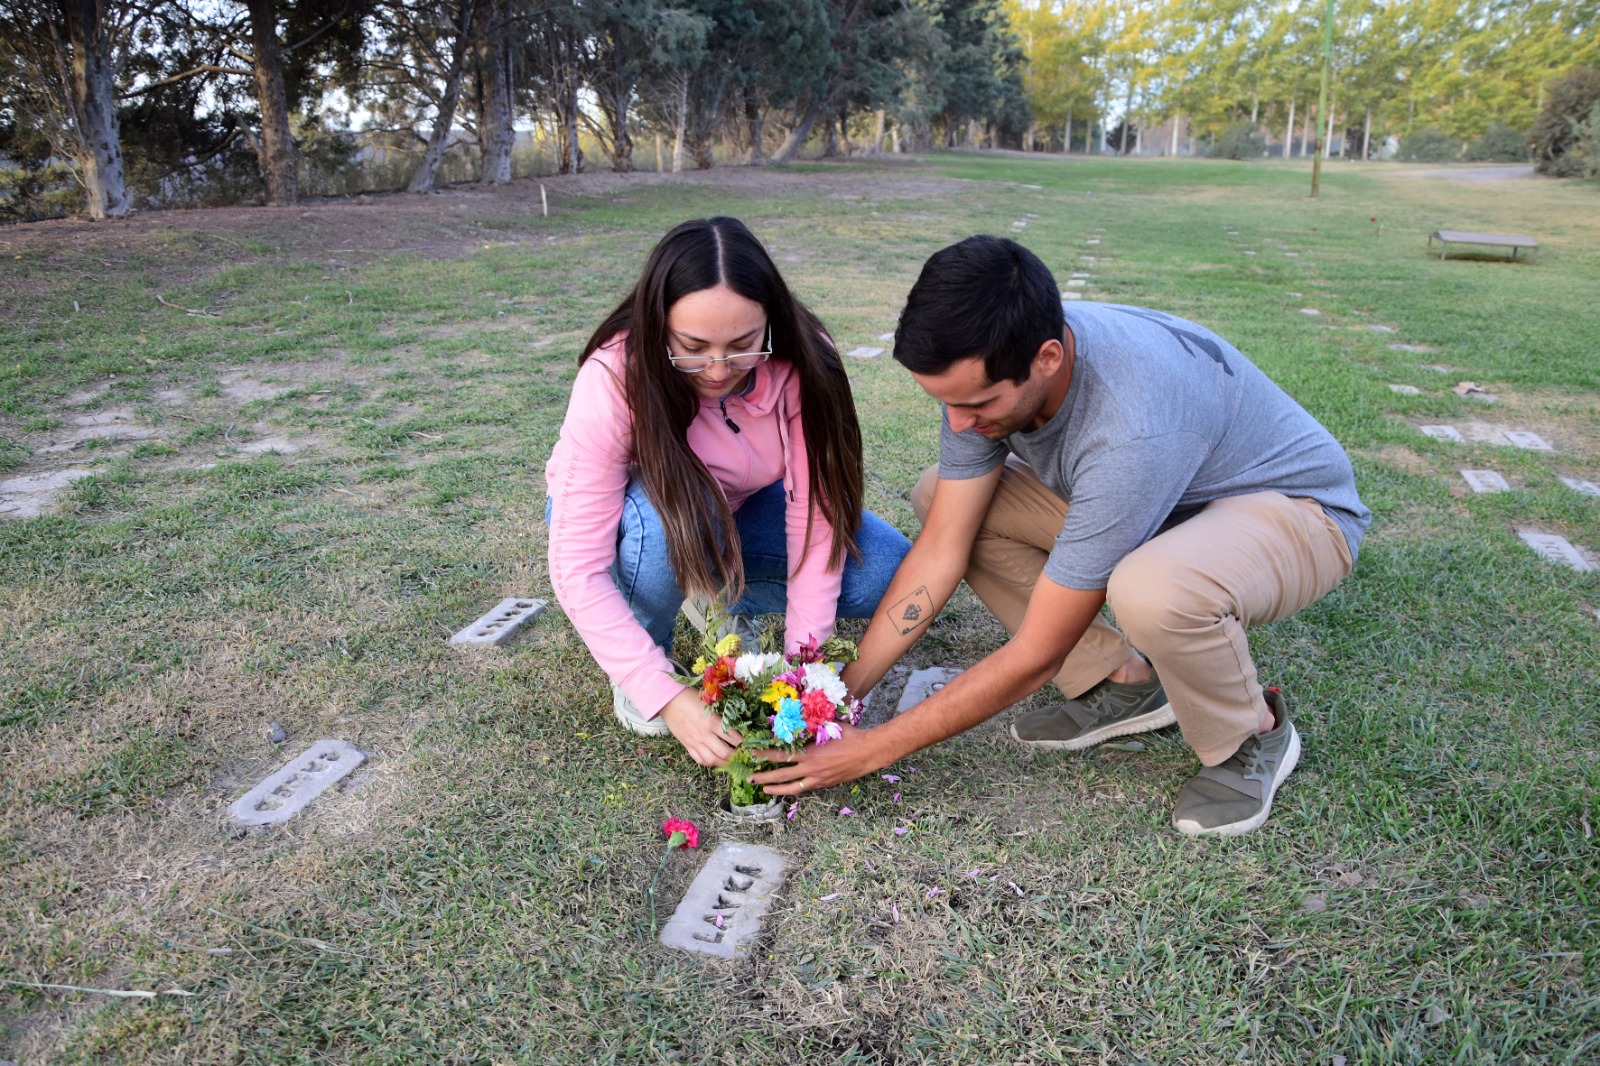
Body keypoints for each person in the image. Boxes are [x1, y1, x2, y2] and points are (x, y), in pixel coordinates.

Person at [753, 235, 1370, 837]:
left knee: (1152, 590)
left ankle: (1252, 735)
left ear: (1047, 358)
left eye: (980, 404)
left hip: (1296, 512)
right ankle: (1121, 682)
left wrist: (872, 750)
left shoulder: (1130, 426)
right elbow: (943, 546)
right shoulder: (1000, 353)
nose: (961, 423)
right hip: (1166, 501)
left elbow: (1035, 654)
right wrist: (832, 694)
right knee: (940, 492)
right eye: (947, 404)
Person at [545, 217, 911, 768]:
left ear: (771, 322)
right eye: (692, 347)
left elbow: (817, 517)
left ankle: (714, 594)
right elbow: (578, 566)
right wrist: (666, 695)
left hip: (736, 509)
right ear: (658, 325)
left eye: (743, 345)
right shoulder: (614, 374)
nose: (718, 369)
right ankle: (650, 646)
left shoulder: (805, 361)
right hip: (641, 516)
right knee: (670, 521)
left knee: (884, 569)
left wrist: (799, 672)